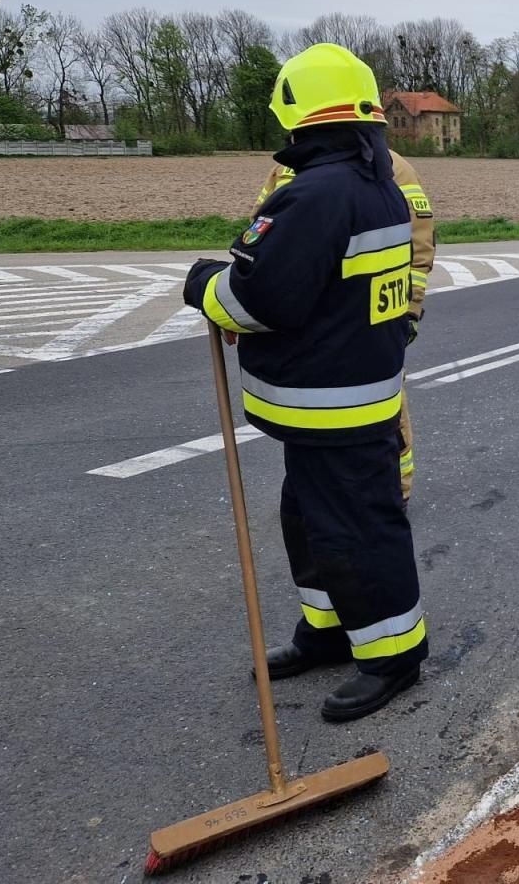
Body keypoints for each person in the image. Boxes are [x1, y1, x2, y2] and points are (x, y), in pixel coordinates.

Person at [183, 43, 428, 722]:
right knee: (312, 522)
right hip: (337, 401)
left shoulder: (316, 194)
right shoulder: (372, 182)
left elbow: (260, 300)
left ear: (296, 116)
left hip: (335, 406)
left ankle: (393, 656)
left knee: (356, 531)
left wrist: (205, 285)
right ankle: (328, 631)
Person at [251, 127, 434, 507]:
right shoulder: (286, 169)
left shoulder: (390, 168)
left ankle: (394, 490)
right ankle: (310, 491)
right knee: (309, 415)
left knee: (385, 409)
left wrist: (410, 310)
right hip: (306, 321)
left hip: (372, 318)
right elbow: (260, 229)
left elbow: (418, 244)